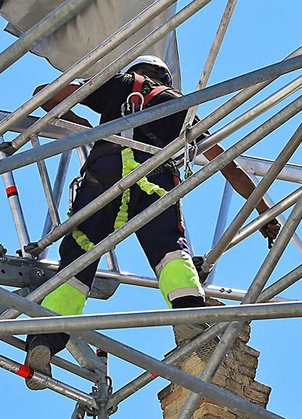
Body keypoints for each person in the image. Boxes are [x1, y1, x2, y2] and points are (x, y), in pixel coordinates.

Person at [23, 55, 278, 387]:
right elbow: (228, 165)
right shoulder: (182, 106)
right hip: (154, 177)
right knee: (170, 251)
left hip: (104, 175)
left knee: (78, 262)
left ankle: (44, 338)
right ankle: (188, 315)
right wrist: (264, 211)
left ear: (136, 71)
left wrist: (86, 127)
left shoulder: (120, 84)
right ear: (167, 80)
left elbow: (45, 93)